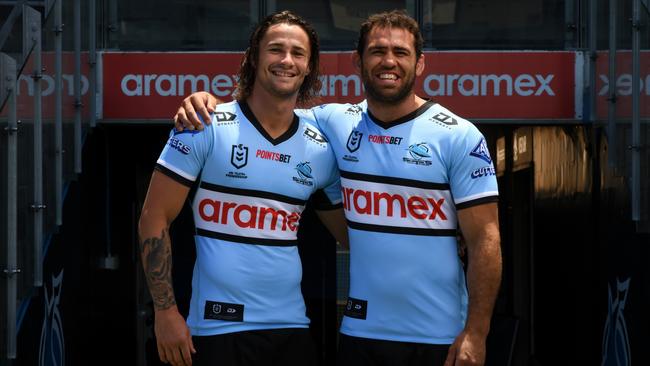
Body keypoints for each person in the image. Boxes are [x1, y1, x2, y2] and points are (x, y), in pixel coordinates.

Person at [174, 10, 502, 366]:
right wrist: (207, 102)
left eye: (401, 52)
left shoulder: (459, 135)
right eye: (377, 51)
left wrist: (477, 331)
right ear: (357, 62)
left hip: (441, 337)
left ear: (420, 64)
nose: (388, 61)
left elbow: (486, 238)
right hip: (360, 335)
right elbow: (266, 111)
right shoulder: (331, 123)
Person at [139, 10, 348, 366]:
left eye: (298, 53)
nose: (286, 60)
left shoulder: (320, 150)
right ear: (253, 57)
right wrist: (166, 313)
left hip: (292, 329)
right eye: (275, 50)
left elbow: (350, 234)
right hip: (217, 328)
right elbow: (153, 217)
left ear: (310, 66)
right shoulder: (203, 126)